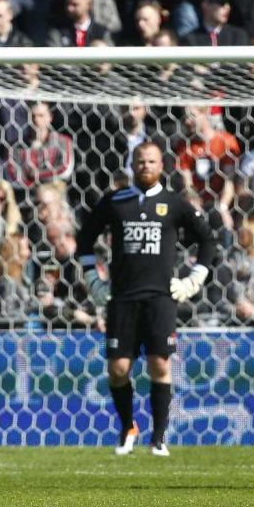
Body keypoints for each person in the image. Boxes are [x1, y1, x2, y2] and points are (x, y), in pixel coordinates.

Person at [76, 141, 217, 456]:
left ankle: (159, 438)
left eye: (152, 162)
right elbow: (84, 237)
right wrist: (91, 278)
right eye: (140, 161)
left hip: (160, 298)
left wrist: (195, 278)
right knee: (118, 369)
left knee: (159, 363)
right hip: (122, 297)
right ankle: (128, 427)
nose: (146, 167)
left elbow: (208, 239)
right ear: (131, 164)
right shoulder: (115, 201)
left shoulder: (174, 203)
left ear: (161, 166)